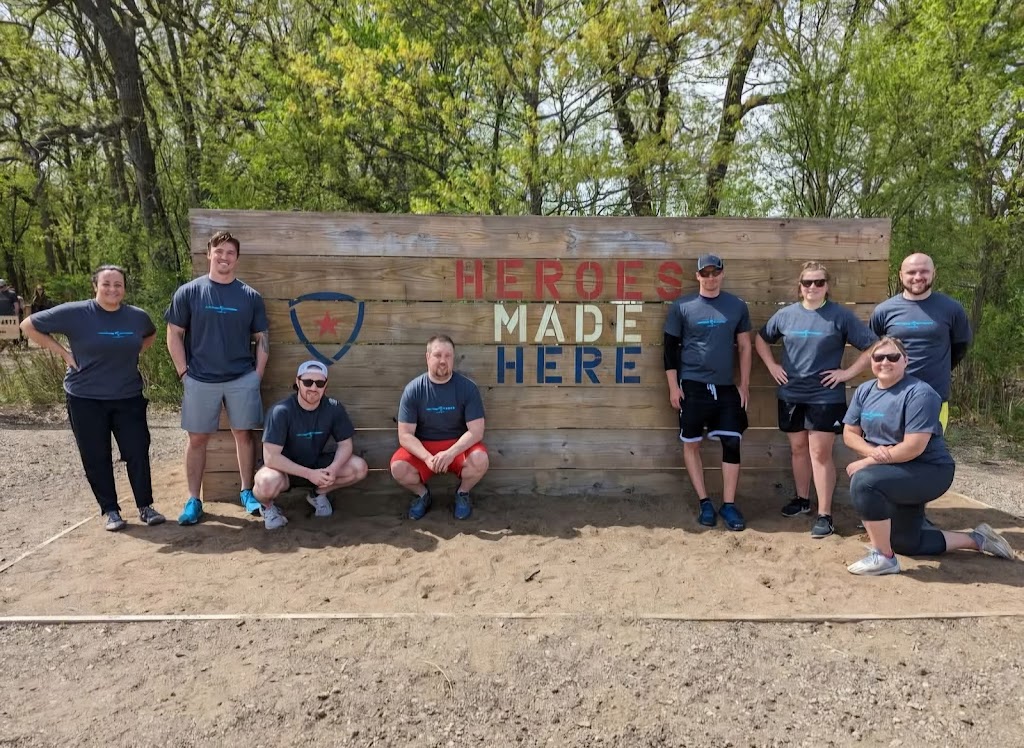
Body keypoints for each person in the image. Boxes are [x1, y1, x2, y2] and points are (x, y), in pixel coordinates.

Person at [843, 337, 1014, 575]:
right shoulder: (865, 391)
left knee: (864, 482)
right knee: (906, 543)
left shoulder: (920, 393)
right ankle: (978, 539)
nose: (885, 362)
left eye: (893, 357)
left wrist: (869, 461)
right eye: (878, 357)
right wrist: (873, 452)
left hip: (928, 470)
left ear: (905, 361)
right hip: (893, 469)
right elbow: (849, 434)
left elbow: (913, 447)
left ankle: (883, 558)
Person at [20, 265, 165, 531]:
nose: (112, 289)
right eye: (106, 284)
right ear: (95, 286)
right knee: (96, 455)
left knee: (137, 450)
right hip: (85, 398)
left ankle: (145, 506)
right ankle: (111, 511)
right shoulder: (75, 313)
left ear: (124, 288)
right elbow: (28, 325)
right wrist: (64, 353)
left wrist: (130, 354)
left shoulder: (137, 317)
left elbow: (151, 334)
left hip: (128, 396)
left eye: (118, 284)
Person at [755, 261, 877, 538]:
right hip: (791, 394)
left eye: (819, 282)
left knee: (820, 453)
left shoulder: (839, 315)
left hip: (825, 396)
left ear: (827, 286)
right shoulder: (786, 315)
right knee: (798, 448)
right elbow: (761, 339)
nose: (813, 287)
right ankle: (802, 500)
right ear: (800, 287)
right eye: (807, 282)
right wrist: (772, 366)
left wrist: (846, 373)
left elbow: (872, 346)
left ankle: (825, 515)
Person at [165, 230, 269, 525]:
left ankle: (247, 491)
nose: (224, 257)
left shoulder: (250, 296)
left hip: (241, 377)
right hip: (199, 378)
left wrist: (257, 375)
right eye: (219, 251)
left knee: (244, 434)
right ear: (208, 254)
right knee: (197, 438)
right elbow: (173, 333)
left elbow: (262, 338)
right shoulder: (189, 292)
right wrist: (183, 373)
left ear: (237, 258)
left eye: (230, 253)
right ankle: (193, 499)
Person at [663, 254, 752, 531]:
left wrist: (744, 384)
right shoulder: (682, 306)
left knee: (732, 441)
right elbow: (669, 349)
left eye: (715, 272)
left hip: (725, 386)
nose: (710, 277)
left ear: (722, 274)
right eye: (705, 273)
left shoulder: (737, 306)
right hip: (692, 384)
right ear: (697, 276)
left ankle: (729, 504)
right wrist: (673, 386)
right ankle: (704, 502)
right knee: (691, 442)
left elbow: (745, 347)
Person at [252, 360, 368, 529]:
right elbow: (271, 458)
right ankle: (267, 507)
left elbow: (345, 444)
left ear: (325, 385)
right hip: (284, 470)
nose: (313, 387)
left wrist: (333, 469)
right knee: (265, 483)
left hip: (316, 464)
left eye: (319, 383)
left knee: (359, 467)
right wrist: (308, 474)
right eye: (308, 382)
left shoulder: (333, 408)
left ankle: (318, 495)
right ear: (298, 382)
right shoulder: (281, 411)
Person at [869, 253, 972, 433]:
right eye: (911, 272)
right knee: (888, 446)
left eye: (924, 271)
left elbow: (960, 347)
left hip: (934, 396)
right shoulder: (883, 311)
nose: (918, 277)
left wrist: (940, 369)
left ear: (934, 273)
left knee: (928, 448)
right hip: (892, 395)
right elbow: (873, 350)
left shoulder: (952, 309)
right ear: (901, 275)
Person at [390, 334, 488, 520]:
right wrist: (427, 458)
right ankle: (423, 495)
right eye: (437, 355)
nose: (443, 360)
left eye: (448, 355)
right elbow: (405, 435)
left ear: (453, 358)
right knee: (398, 468)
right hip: (424, 448)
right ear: (427, 357)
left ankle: (462, 493)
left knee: (480, 459)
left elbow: (476, 431)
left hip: (457, 447)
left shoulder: (467, 388)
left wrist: (450, 453)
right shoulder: (413, 389)